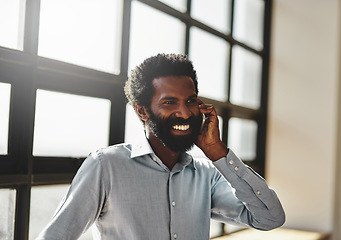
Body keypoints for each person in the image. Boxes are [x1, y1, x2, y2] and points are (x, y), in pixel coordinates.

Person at [36, 53, 285, 240]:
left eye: (190, 101)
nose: (185, 113)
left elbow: (270, 218)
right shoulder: (106, 166)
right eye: (169, 102)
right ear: (142, 110)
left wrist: (218, 153)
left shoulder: (207, 175)